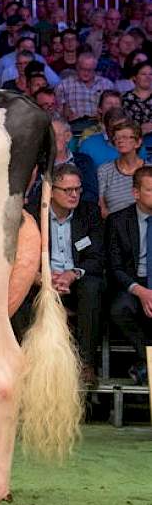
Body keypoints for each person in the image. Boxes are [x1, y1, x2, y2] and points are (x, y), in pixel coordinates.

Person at [16, 164, 104, 386]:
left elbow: (96, 256)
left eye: (77, 189)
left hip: (76, 282)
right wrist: (42, 279)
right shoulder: (32, 214)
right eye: (67, 190)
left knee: (93, 288)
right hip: (39, 281)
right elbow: (19, 258)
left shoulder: (89, 212)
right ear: (50, 190)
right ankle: (25, 363)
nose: (74, 195)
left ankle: (85, 364)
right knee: (17, 294)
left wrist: (72, 274)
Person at [106, 165, 152, 385]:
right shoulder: (118, 221)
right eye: (150, 190)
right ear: (136, 193)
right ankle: (147, 360)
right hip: (132, 283)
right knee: (119, 310)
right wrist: (141, 291)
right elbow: (115, 267)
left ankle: (144, 367)